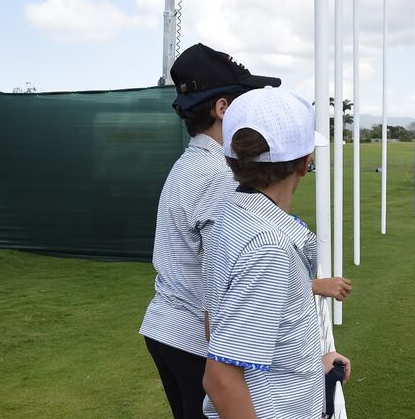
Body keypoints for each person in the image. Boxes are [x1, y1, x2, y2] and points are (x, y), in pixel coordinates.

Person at [139, 44, 352, 419]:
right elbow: (242, 281)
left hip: (172, 326)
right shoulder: (223, 182)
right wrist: (310, 286)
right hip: (190, 336)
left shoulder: (194, 165)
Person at [202, 87, 351, 418]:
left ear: (230, 159)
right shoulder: (268, 247)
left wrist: (310, 366)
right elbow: (221, 379)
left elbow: (219, 329)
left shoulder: (228, 219)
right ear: (304, 163)